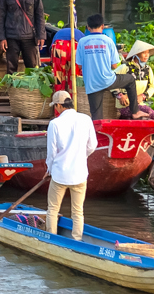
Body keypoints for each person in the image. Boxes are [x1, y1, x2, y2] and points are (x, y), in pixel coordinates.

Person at [45, 90, 94, 240]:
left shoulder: (55, 123)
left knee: (52, 209)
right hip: (80, 174)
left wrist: (49, 169)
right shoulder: (86, 119)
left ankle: (51, 239)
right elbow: (92, 145)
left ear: (59, 106)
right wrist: (81, 156)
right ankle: (77, 240)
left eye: (56, 106)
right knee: (78, 211)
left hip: (60, 174)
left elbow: (51, 153)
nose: (56, 109)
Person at [0, 0, 45, 72]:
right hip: (11, 37)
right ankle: (11, 88)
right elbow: (0, 17)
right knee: (11, 68)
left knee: (32, 68)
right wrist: (1, 38)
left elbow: (39, 15)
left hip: (29, 37)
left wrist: (41, 35)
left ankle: (30, 89)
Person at [78, 14, 127, 120]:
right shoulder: (108, 41)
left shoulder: (82, 42)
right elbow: (114, 65)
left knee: (96, 116)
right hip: (108, 80)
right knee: (130, 80)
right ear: (103, 26)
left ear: (88, 27)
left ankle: (97, 135)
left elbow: (80, 65)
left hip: (92, 83)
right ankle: (135, 110)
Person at [118, 41, 154, 121]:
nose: (147, 55)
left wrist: (143, 96)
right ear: (136, 54)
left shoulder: (147, 69)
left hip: (140, 105)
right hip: (124, 106)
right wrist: (120, 96)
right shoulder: (125, 67)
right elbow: (109, 81)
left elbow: (153, 87)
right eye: (144, 53)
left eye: (148, 53)